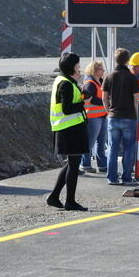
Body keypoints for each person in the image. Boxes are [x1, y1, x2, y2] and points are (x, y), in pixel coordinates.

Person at [46, 52, 89, 211]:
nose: (79, 67)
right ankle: (70, 201)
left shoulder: (63, 80)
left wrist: (82, 95)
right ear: (72, 66)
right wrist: (84, 101)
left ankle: (54, 196)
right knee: (74, 166)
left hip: (68, 128)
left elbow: (70, 102)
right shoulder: (66, 84)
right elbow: (67, 108)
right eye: (78, 65)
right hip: (69, 129)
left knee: (72, 164)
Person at [102, 48, 139, 185]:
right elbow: (136, 99)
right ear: (127, 60)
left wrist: (109, 112)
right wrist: (137, 116)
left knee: (112, 148)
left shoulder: (109, 76)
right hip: (129, 117)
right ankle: (126, 178)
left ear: (115, 59)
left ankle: (112, 178)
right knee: (129, 148)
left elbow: (104, 98)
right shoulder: (132, 78)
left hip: (113, 116)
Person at [79, 60, 107, 174]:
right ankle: (85, 164)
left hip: (101, 116)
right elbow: (90, 99)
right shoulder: (90, 83)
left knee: (101, 143)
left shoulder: (99, 81)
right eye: (101, 69)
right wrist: (106, 101)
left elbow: (94, 99)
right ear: (94, 70)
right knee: (89, 143)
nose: (103, 70)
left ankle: (102, 165)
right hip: (93, 117)